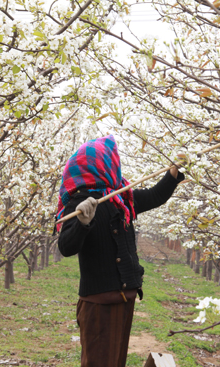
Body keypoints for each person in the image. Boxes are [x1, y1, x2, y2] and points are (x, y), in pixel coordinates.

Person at [56, 135, 184, 367]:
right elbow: (66, 247)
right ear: (103, 165)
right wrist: (83, 222)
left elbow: (155, 195)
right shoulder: (80, 202)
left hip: (125, 298)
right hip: (100, 304)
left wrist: (174, 171)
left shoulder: (120, 198)